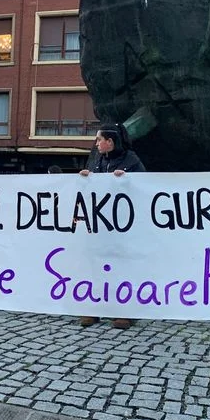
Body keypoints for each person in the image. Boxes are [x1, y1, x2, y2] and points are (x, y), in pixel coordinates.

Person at [77, 123, 146, 329]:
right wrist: (85, 179)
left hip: (123, 227)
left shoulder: (132, 161)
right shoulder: (97, 161)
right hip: (100, 225)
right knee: (96, 265)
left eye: (99, 139)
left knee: (122, 267)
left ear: (110, 141)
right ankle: (95, 307)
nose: (96, 143)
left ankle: (124, 311)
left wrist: (128, 180)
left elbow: (145, 188)